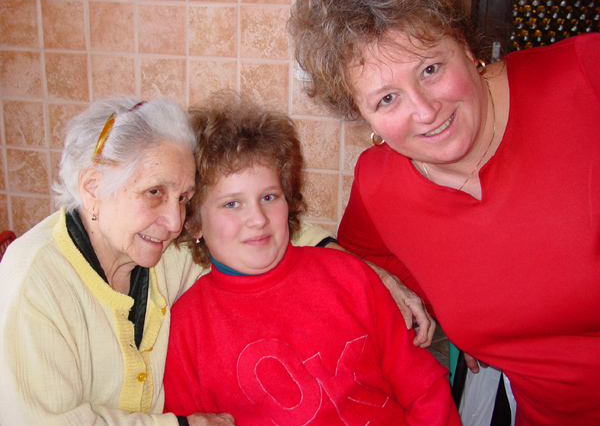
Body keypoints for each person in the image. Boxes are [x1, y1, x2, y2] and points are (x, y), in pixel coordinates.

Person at [288, 0, 600, 425]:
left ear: (463, 45)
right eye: (387, 99)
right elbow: (363, 265)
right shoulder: (379, 184)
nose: (425, 110)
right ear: (363, 116)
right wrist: (461, 314)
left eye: (430, 69)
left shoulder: (585, 75)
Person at [0, 96, 332, 426]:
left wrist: (332, 248)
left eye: (184, 198)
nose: (175, 222)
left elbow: (252, 231)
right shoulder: (35, 282)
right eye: (155, 192)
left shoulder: (163, 248)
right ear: (93, 188)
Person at [163, 97, 461, 426]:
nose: (258, 219)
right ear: (193, 222)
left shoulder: (351, 276)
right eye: (232, 204)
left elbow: (425, 390)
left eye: (269, 197)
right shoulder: (185, 329)